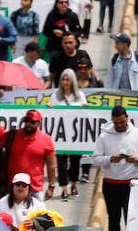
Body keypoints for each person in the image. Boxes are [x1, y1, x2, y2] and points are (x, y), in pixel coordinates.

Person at [91, 106, 138, 231]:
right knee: (113, 219)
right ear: (112, 120)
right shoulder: (104, 136)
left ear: (127, 118)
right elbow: (96, 158)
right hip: (110, 184)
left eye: (122, 122)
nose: (119, 125)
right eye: (116, 123)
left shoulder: (137, 133)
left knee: (132, 219)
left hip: (131, 183)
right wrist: (109, 159)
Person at [0, 110, 56, 202]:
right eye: (26, 120)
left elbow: (51, 165)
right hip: (13, 187)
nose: (28, 124)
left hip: (35, 189)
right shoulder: (12, 135)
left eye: (32, 122)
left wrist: (51, 187)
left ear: (39, 123)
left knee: (37, 216)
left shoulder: (46, 140)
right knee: (10, 216)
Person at [49, 69, 86, 201]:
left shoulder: (80, 96)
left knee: (76, 161)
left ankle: (74, 184)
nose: (65, 82)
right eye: (63, 80)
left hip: (76, 136)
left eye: (67, 79)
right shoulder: (55, 96)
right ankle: (64, 187)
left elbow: (85, 113)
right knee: (61, 162)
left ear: (73, 81)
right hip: (61, 136)